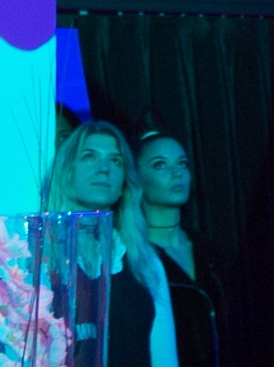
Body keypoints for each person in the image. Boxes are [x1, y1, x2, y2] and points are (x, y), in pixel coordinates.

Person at [46, 118, 177, 367]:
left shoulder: (144, 261)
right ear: (67, 170)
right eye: (89, 156)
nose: (104, 168)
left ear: (124, 183)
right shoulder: (42, 260)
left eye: (115, 161)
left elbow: (165, 358)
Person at [134, 131, 220, 367]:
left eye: (182, 164)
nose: (176, 172)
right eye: (160, 165)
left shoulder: (208, 250)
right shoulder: (134, 258)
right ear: (137, 178)